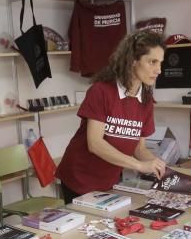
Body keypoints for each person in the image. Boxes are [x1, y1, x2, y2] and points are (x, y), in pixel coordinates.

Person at [56, 30, 167, 203]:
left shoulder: (146, 101)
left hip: (109, 182)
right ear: (133, 61)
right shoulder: (101, 92)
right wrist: (139, 165)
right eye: (152, 62)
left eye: (160, 63)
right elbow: (95, 144)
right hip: (79, 178)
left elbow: (139, 148)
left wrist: (156, 164)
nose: (158, 70)